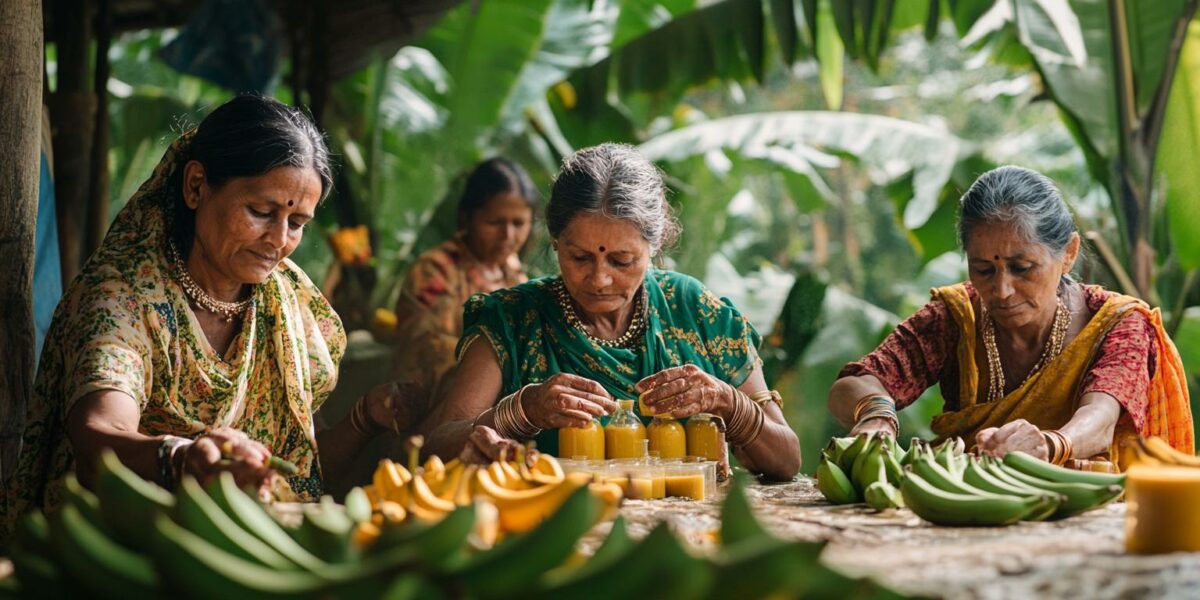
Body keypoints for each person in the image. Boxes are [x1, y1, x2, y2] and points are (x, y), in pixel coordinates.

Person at [2, 96, 426, 548]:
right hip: (120, 554)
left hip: (246, 554)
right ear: (196, 185)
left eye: (297, 221)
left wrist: (365, 419)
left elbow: (298, 471)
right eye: (261, 212)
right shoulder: (125, 297)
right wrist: (182, 459)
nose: (279, 241)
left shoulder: (287, 309)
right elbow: (100, 435)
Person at [420, 143, 801, 480]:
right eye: (580, 257)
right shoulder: (513, 319)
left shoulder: (696, 311)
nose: (600, 280)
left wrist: (729, 402)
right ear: (554, 241)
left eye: (622, 260)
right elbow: (434, 448)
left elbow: (787, 460)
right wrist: (522, 411)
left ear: (655, 244)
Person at [828, 166, 1193, 468]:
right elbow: (853, 384)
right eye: (983, 270)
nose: (1002, 291)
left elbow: (1099, 420)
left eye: (1022, 268)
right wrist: (876, 412)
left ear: (1069, 253)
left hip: (1089, 512)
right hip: (968, 507)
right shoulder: (956, 317)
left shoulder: (1117, 324)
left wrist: (1048, 446)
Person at [392, 158, 536, 402]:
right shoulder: (436, 270)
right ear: (467, 217)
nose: (508, 236)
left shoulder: (514, 274)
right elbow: (429, 351)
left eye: (519, 223)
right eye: (495, 223)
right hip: (437, 411)